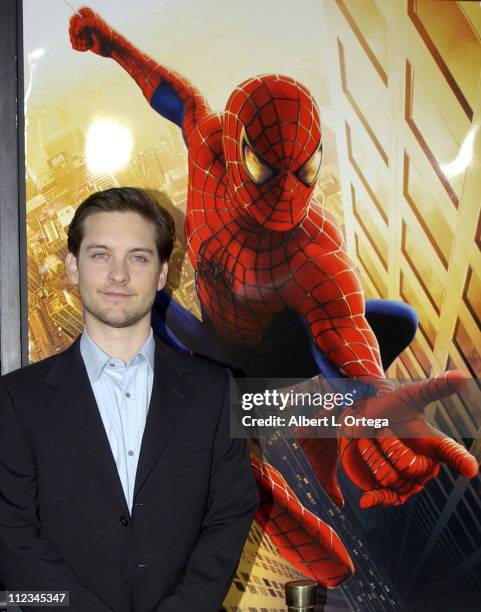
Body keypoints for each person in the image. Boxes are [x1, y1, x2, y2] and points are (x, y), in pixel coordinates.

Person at [0, 187, 258, 612]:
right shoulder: (16, 400)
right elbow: (12, 536)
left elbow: (230, 514)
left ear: (161, 273)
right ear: (72, 266)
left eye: (138, 257)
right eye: (101, 255)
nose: (119, 275)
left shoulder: (213, 392)